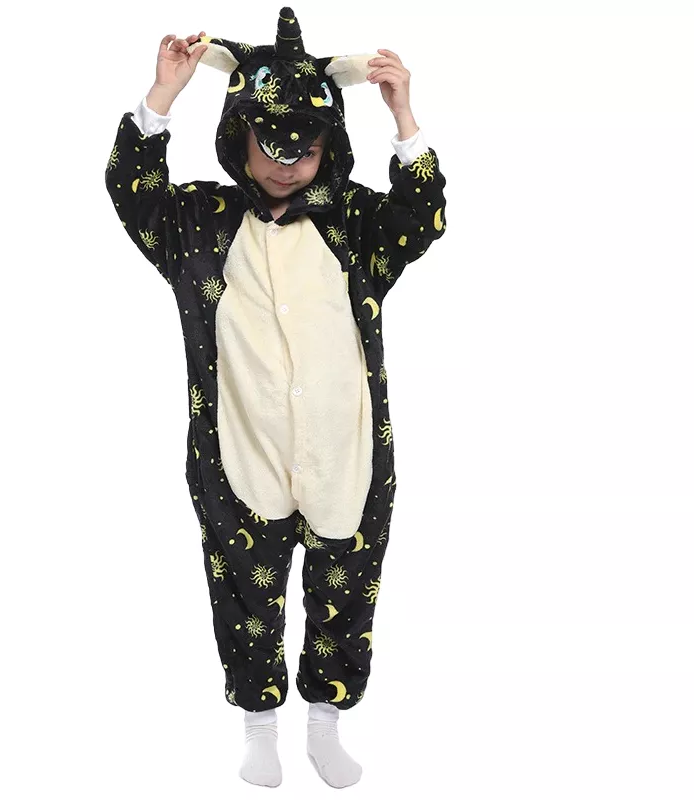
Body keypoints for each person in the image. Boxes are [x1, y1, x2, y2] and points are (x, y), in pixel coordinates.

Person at [104, 7, 447, 789]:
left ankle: (325, 721)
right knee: (244, 600)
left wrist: (403, 116)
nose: (289, 164)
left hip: (346, 458)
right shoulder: (199, 223)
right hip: (240, 458)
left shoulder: (355, 221)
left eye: (308, 148)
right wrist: (162, 96)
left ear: (330, 145)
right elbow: (133, 194)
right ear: (241, 134)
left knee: (345, 598)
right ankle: (259, 725)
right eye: (272, 145)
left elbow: (423, 218)